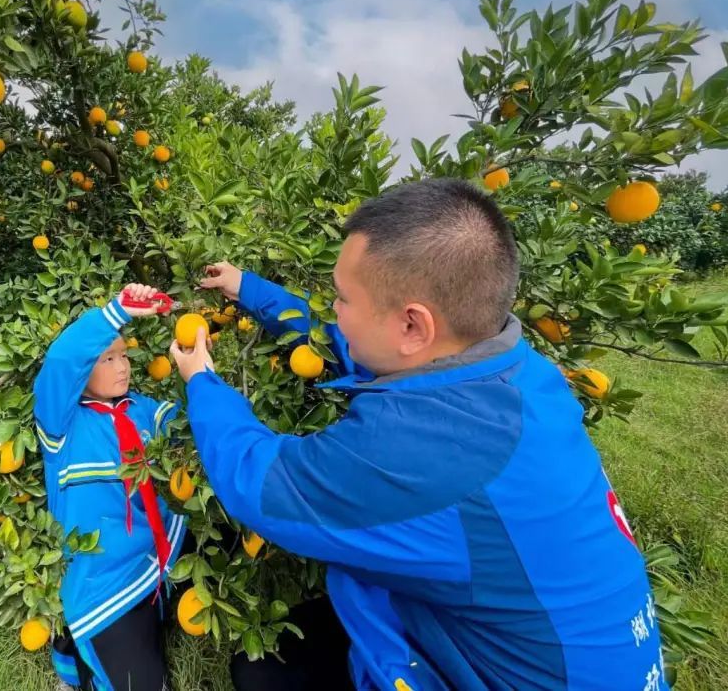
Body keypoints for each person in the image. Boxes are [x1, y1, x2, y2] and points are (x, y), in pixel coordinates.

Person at [170, 179, 668, 691]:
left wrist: (203, 382)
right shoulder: (519, 372)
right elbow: (341, 341)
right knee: (267, 667)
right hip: (502, 640)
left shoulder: (419, 454)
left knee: (266, 676)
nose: (334, 309)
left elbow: (258, 482)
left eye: (342, 297)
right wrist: (245, 288)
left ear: (413, 326)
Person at [32, 284, 189, 691]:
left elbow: (189, 427)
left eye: (124, 356)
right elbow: (61, 361)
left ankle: (78, 647)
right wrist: (116, 311)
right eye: (108, 358)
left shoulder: (144, 410)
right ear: (84, 369)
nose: (123, 367)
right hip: (102, 583)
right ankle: (72, 653)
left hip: (157, 559)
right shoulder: (61, 428)